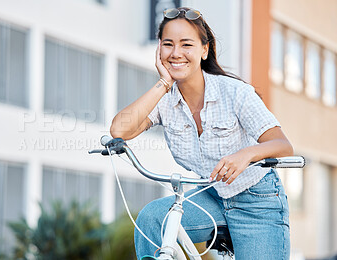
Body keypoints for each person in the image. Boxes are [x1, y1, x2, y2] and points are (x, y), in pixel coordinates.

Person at [110, 7, 293, 260]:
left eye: (187, 44)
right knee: (152, 219)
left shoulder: (235, 92)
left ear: (204, 50)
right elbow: (119, 130)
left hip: (257, 201)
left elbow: (283, 144)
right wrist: (164, 83)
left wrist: (246, 155)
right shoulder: (164, 99)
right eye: (168, 44)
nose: (176, 53)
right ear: (159, 50)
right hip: (211, 196)